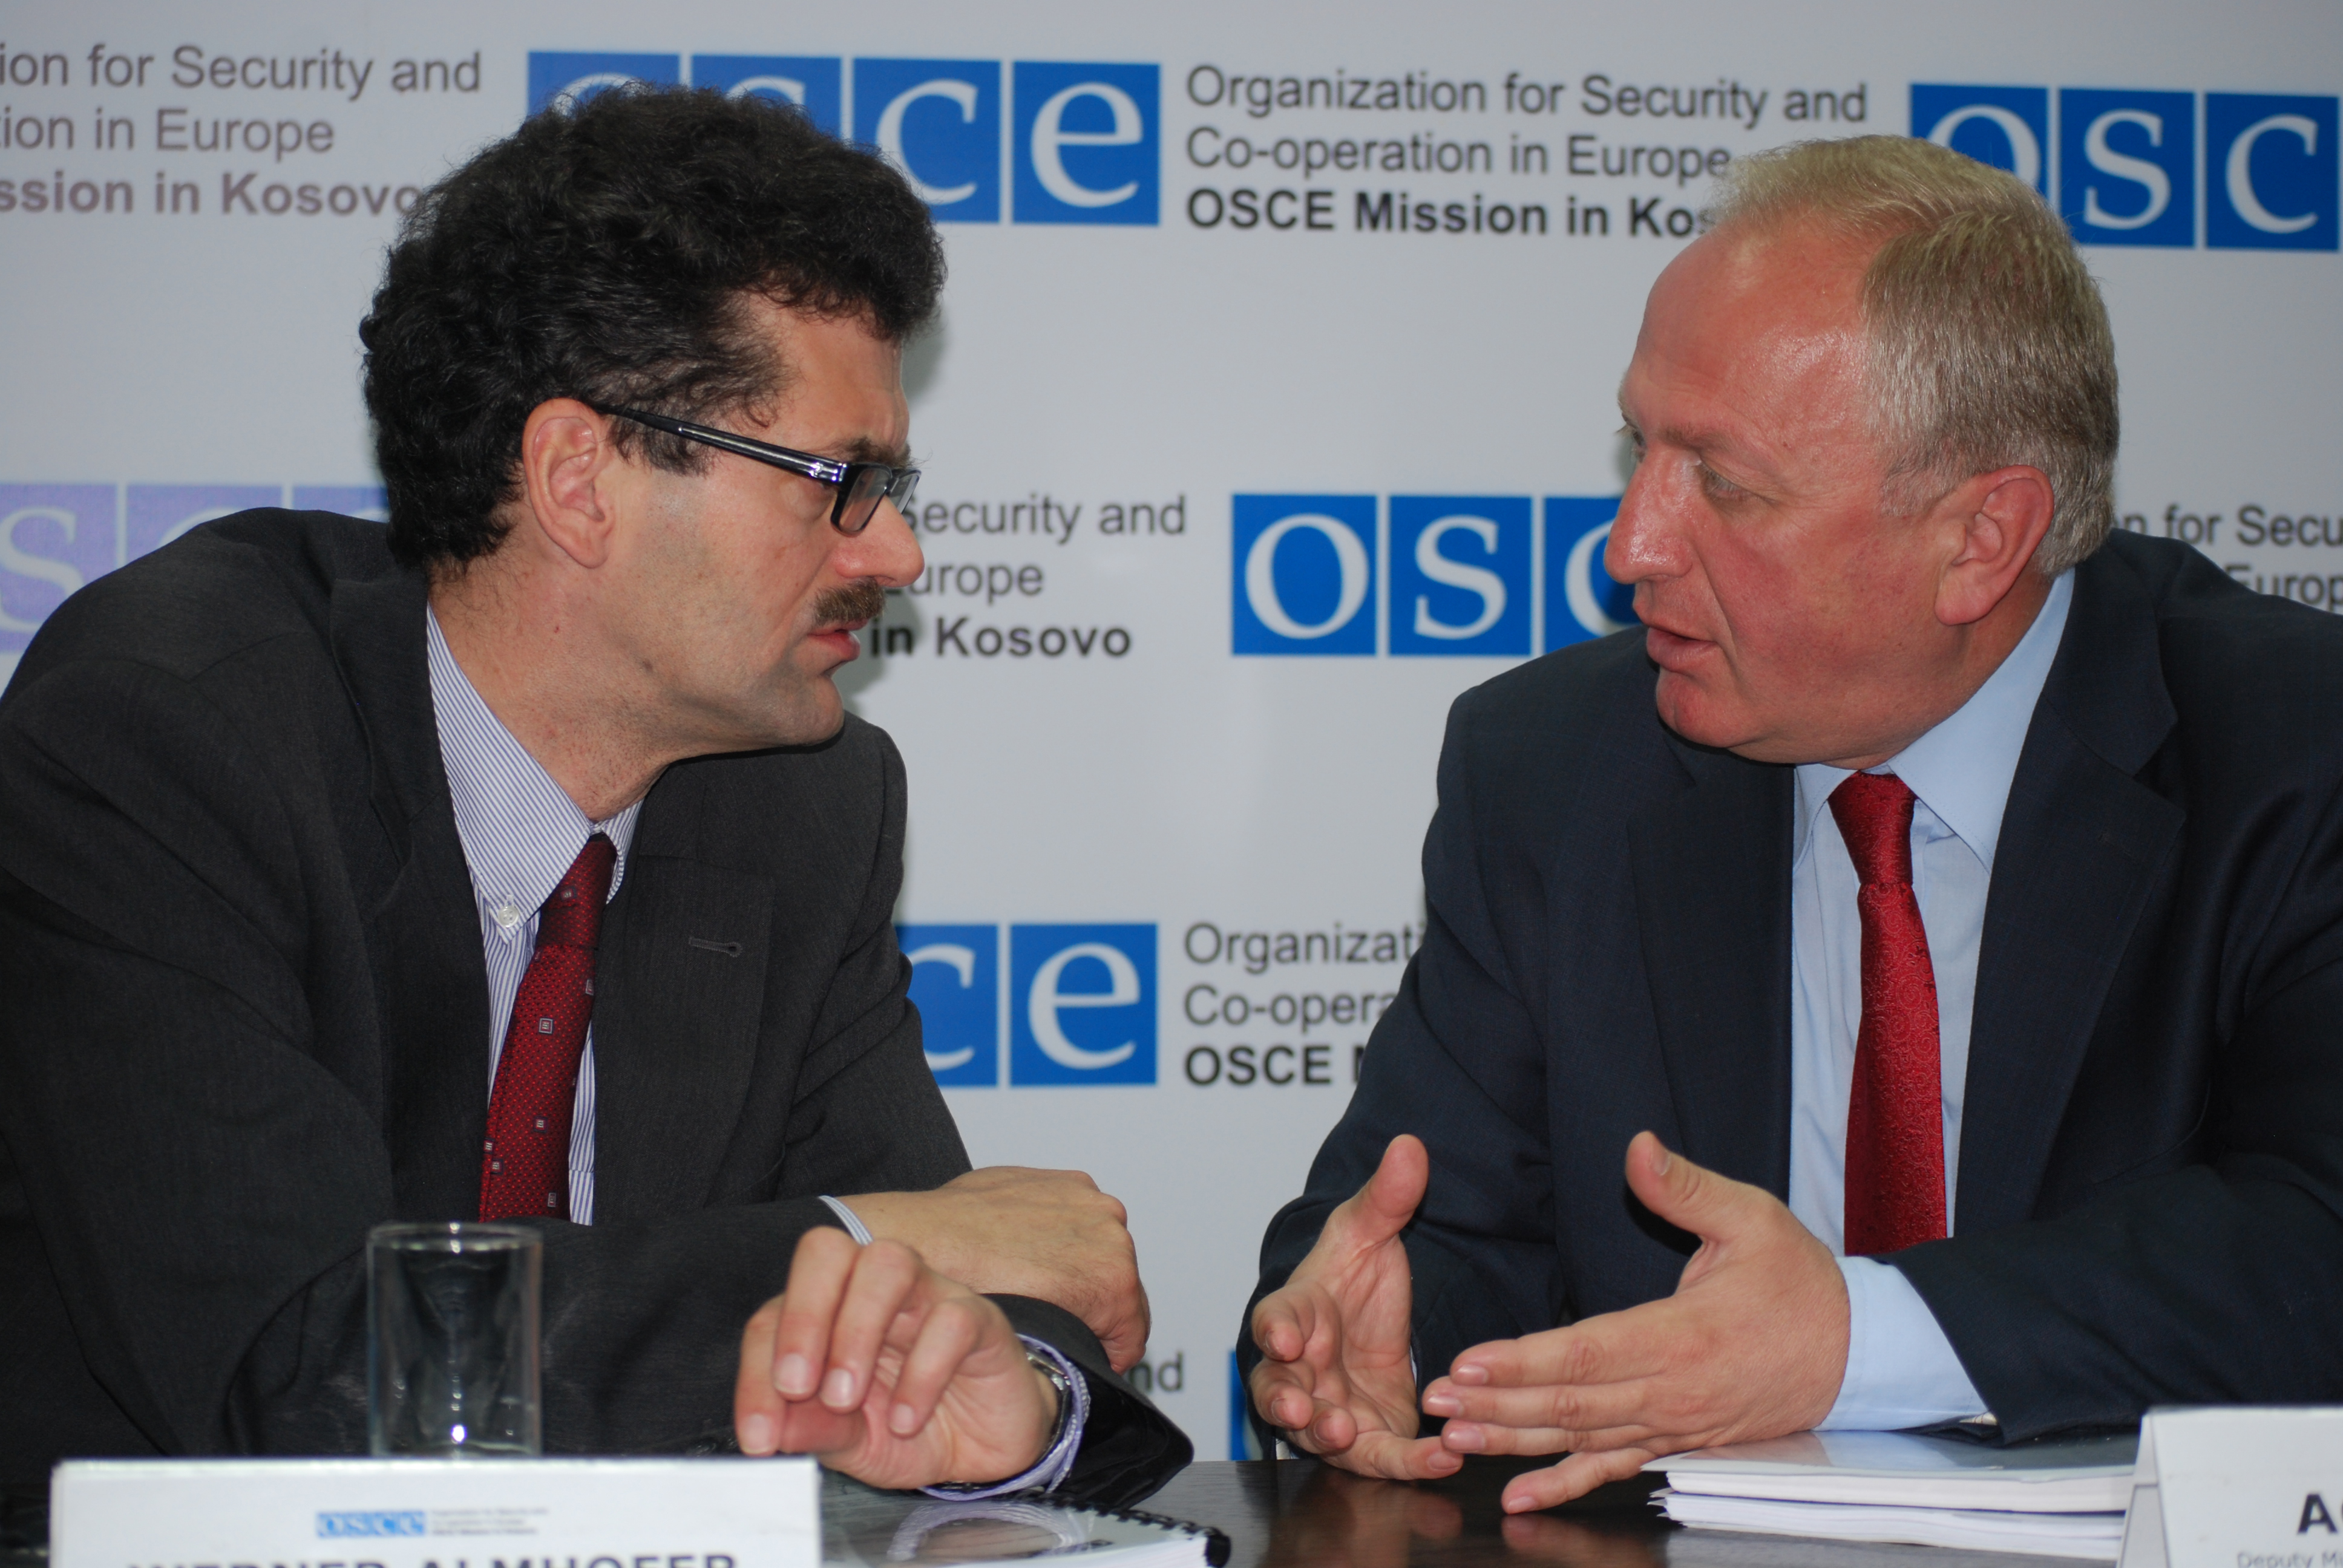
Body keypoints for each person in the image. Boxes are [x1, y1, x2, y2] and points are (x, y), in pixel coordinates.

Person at [0, 86, 1187, 1506]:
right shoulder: (171, 736)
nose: (897, 555)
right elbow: (305, 1370)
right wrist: (867, 1241)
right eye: (838, 481)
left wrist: (1017, 1403)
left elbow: (979, 1272)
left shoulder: (806, 803)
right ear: (579, 479)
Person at [1240, 134, 2343, 1513]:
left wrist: (1854, 1343)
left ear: (1978, 541)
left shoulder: (2293, 751)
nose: (1630, 546)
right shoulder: (1552, 767)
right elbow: (1436, 1223)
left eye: (1725, 483)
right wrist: (1377, 1344)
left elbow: (2312, 1243)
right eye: (1641, 448)